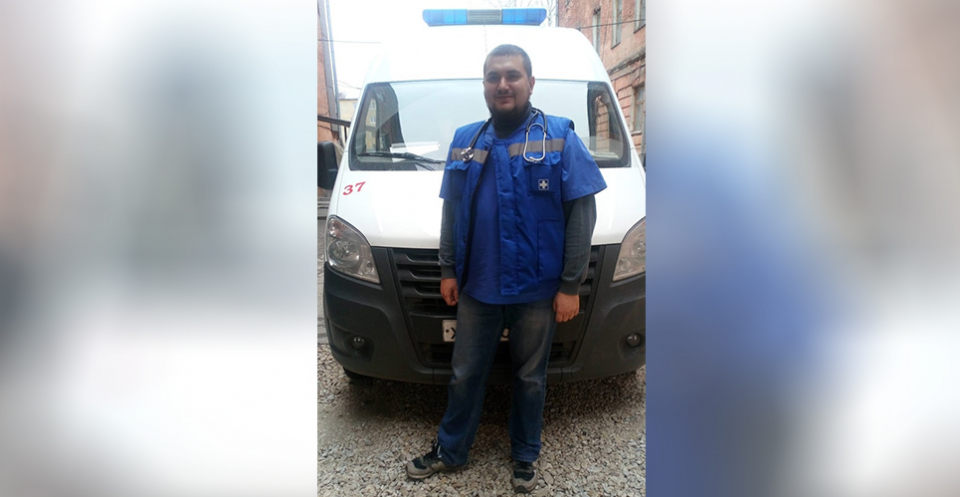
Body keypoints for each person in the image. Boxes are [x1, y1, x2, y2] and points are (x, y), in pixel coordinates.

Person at [405, 44, 607, 493]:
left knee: (530, 378)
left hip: (538, 290)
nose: (503, 84)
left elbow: (581, 215)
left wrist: (570, 284)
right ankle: (451, 450)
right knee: (464, 374)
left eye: (512, 75)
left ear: (530, 83)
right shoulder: (466, 140)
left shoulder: (559, 136)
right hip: (478, 288)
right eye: (493, 76)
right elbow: (451, 209)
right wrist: (448, 269)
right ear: (483, 85)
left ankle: (525, 453)